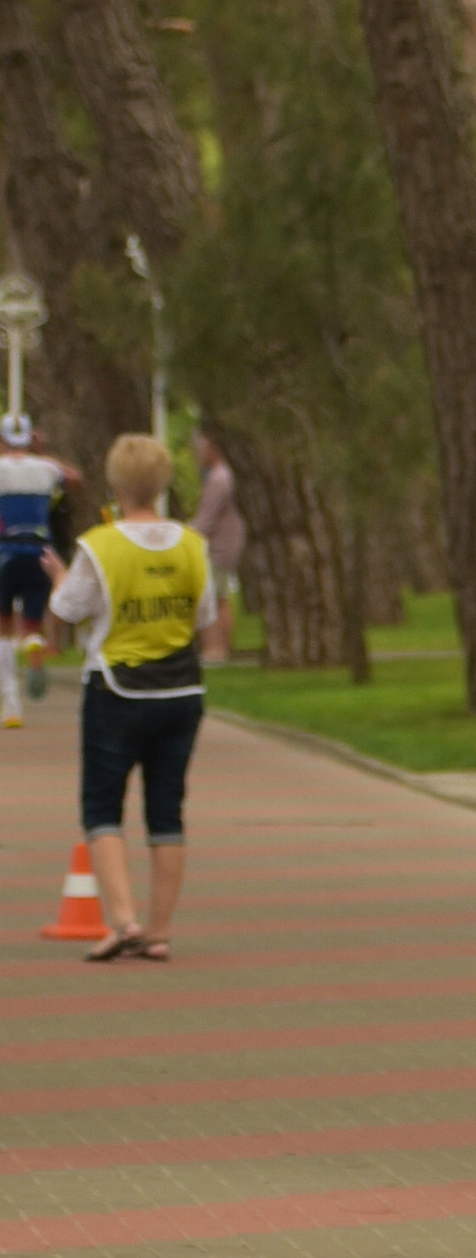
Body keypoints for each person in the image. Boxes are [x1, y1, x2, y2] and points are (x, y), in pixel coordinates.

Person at [42, 430, 215, 963]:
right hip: (182, 690)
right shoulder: (193, 544)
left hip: (117, 689)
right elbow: (203, 616)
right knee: (167, 811)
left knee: (102, 805)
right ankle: (160, 932)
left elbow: (69, 610)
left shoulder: (101, 543)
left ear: (116, 483)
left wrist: (60, 578)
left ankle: (124, 921)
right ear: (163, 483)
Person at [0, 411, 65, 726]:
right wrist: (41, 454)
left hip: (5, 555)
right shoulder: (47, 469)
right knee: (30, 621)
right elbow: (74, 478)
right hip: (40, 553)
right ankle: (32, 641)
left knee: (2, 627)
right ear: (30, 437)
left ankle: (11, 705)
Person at [187, 425, 246, 666]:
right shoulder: (220, 476)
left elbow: (206, 519)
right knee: (221, 597)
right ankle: (220, 647)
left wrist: (181, 534)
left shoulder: (219, 479)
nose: (195, 453)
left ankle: (215, 649)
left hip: (218, 547)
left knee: (210, 597)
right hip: (225, 545)